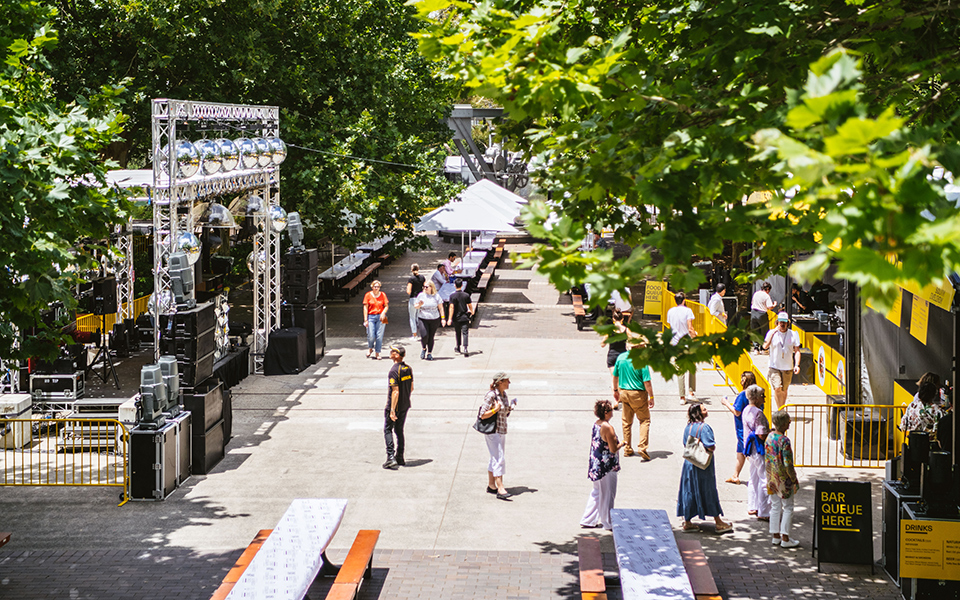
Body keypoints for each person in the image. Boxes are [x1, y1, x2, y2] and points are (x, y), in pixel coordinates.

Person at [677, 403, 732, 533]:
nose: (707, 410)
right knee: (708, 490)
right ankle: (718, 522)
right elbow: (710, 446)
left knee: (689, 490)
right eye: (704, 409)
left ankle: (688, 521)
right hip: (702, 466)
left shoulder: (688, 427)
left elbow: (685, 443)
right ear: (699, 413)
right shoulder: (705, 427)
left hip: (690, 464)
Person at [580, 399, 625, 530]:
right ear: (606, 412)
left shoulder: (597, 424)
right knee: (608, 494)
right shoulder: (608, 428)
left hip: (596, 464)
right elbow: (613, 449)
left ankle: (588, 519)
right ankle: (608, 522)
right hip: (607, 466)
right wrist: (622, 443)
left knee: (597, 492)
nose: (613, 412)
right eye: (611, 410)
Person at [612, 341, 655, 460]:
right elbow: (647, 382)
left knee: (626, 422)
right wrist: (651, 397)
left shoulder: (620, 357)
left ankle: (627, 448)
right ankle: (642, 446)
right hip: (638, 394)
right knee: (644, 420)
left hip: (624, 393)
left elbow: (615, 375)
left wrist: (615, 390)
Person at [766, 409, 800, 547]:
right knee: (788, 507)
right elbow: (788, 464)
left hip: (772, 477)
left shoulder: (769, 437)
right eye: (788, 421)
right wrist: (794, 480)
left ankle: (775, 536)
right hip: (783, 479)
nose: (790, 423)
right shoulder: (784, 441)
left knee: (775, 506)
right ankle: (785, 537)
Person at [480, 372, 514, 500]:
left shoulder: (503, 395)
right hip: (493, 431)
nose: (509, 383)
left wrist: (509, 408)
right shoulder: (491, 395)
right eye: (507, 381)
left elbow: (503, 414)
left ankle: (491, 485)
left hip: (501, 430)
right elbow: (482, 414)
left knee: (494, 457)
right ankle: (500, 488)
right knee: (499, 458)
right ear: (499, 382)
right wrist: (495, 409)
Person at [720, 371, 757, 485]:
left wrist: (726, 403)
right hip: (751, 427)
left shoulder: (743, 395)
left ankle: (759, 475)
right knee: (740, 452)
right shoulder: (756, 393)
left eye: (742, 379)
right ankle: (735, 475)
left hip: (743, 429)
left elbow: (737, 412)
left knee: (747, 453)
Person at [382, 345, 414, 470]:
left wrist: (392, 410)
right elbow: (411, 387)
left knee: (388, 429)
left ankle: (390, 457)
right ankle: (400, 456)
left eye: (392, 351)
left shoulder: (394, 371)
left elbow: (395, 391)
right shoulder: (408, 368)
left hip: (395, 406)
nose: (390, 352)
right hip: (405, 405)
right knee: (399, 430)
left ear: (397, 355)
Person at [742, 384, 771, 521]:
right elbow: (761, 434)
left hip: (749, 451)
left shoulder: (746, 410)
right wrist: (771, 433)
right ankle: (764, 511)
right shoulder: (758, 413)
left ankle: (752, 506)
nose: (764, 399)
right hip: (758, 450)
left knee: (753, 478)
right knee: (764, 479)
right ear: (757, 397)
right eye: (762, 396)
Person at [763, 312, 801, 409]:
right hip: (774, 366)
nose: (782, 325)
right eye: (780, 322)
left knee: (784, 390)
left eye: (784, 323)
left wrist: (797, 365)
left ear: (787, 323)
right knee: (777, 388)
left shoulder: (793, 334)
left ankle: (782, 409)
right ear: (777, 322)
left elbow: (797, 351)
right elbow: (765, 346)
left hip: (787, 366)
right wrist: (773, 333)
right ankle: (780, 410)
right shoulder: (771, 333)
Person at [666, 292, 697, 403]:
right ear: (684, 300)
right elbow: (690, 327)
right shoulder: (688, 311)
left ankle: (682, 397)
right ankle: (691, 392)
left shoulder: (670, 311)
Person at [602, 309, 629, 410]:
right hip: (622, 356)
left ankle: (616, 400)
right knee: (622, 378)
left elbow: (603, 344)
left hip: (612, 356)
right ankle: (621, 397)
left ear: (613, 319)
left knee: (614, 378)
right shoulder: (626, 330)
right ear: (622, 319)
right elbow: (631, 342)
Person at [414, 280, 445, 360]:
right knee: (424, 335)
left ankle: (429, 353)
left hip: (434, 318)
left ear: (431, 287)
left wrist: (443, 318)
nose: (425, 288)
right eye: (424, 287)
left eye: (427, 287)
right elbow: (416, 306)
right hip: (423, 318)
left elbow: (441, 308)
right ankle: (424, 348)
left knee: (431, 336)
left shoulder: (436, 296)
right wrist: (419, 305)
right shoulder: (421, 295)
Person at [362, 280, 388, 360]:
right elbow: (365, 308)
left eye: (378, 287)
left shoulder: (383, 294)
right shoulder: (368, 295)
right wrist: (365, 319)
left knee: (379, 336)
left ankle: (377, 352)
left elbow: (386, 306)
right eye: (375, 286)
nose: (376, 288)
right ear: (372, 287)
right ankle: (370, 348)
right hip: (371, 316)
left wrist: (383, 313)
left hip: (381, 317)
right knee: (371, 335)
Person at [447, 279, 474, 356]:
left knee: (457, 332)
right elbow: (469, 304)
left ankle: (458, 346)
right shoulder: (466, 295)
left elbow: (451, 307)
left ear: (455, 285)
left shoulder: (452, 296)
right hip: (464, 316)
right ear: (462, 285)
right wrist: (472, 311)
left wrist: (449, 318)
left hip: (456, 317)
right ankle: (465, 348)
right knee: (465, 333)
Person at [751, 282, 777, 346]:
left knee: (755, 330)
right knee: (764, 331)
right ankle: (764, 347)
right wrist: (774, 304)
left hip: (753, 313)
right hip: (762, 313)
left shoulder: (756, 293)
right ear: (767, 289)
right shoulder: (766, 296)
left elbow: (752, 302)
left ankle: (756, 348)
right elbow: (769, 307)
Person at [406, 263, 425, 339]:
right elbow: (425, 286)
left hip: (413, 299)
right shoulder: (422, 277)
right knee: (419, 317)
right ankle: (422, 333)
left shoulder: (411, 279)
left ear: (411, 270)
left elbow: (408, 291)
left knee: (412, 317)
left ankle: (414, 335)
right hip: (420, 299)